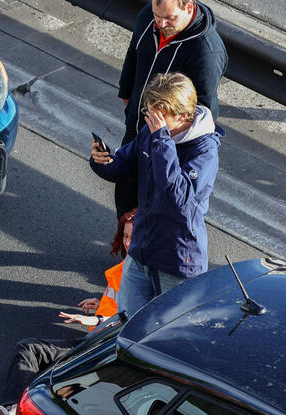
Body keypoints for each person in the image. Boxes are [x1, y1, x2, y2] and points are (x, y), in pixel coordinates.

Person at [0, 212, 133, 415]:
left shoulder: (138, 274)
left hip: (102, 349)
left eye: (133, 237)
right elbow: (122, 305)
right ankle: (14, 412)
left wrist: (96, 320)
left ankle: (15, 412)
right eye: (125, 236)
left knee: (31, 352)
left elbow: (132, 318)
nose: (127, 242)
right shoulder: (131, 267)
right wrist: (100, 303)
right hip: (98, 342)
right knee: (43, 365)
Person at [91, 72, 220, 317]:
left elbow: (177, 196)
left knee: (170, 332)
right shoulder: (152, 132)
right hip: (141, 250)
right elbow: (122, 165)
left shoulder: (205, 151)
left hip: (177, 261)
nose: (150, 119)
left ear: (182, 116)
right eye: (148, 111)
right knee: (126, 323)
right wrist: (102, 161)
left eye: (158, 115)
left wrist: (162, 140)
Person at [115, 0, 227, 217]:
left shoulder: (206, 51)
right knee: (125, 204)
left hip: (171, 148)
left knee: (155, 215)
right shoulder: (148, 17)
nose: (161, 23)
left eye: (169, 18)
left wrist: (163, 142)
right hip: (138, 132)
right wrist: (127, 96)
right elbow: (134, 53)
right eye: (157, 16)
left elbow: (199, 110)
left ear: (188, 7)